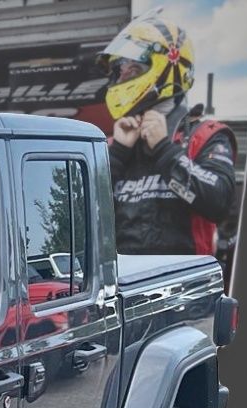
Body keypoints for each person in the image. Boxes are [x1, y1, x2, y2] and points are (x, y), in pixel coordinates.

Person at [98, 8, 237, 257]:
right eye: (119, 71)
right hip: (123, 287)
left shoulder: (204, 136)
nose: (122, 78)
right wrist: (117, 155)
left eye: (132, 70)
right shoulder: (115, 144)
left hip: (185, 289)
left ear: (166, 67)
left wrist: (165, 150)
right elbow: (77, 215)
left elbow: (219, 204)